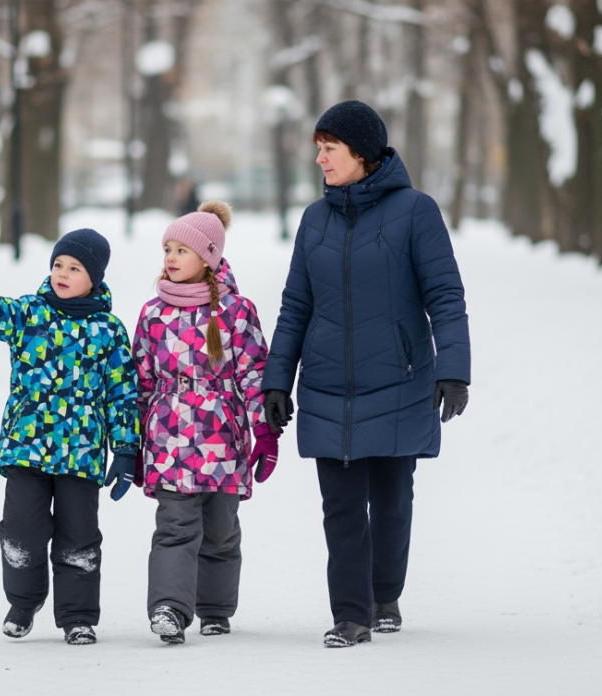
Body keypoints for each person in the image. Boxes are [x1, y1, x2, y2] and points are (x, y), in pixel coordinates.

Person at [260, 100, 471, 648]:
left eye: (330, 149)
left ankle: (384, 593)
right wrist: (277, 379)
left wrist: (453, 369)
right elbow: (294, 306)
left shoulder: (415, 211)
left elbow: (445, 295)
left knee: (393, 498)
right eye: (318, 149)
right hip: (328, 384)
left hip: (400, 380)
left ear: (362, 153)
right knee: (342, 507)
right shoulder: (314, 219)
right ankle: (350, 615)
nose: (321, 160)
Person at [0, 228, 141, 646]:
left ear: (95, 278)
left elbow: (122, 393)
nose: (62, 274)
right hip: (26, 450)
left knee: (79, 540)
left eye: (75, 268)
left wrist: (125, 449)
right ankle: (24, 601)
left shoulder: (109, 331)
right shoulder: (30, 314)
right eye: (58, 265)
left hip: (81, 457)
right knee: (20, 534)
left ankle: (78, 617)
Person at [131, 200, 278, 645]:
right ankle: (169, 609)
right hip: (168, 438)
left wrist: (265, 432)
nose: (170, 258)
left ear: (209, 257)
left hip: (222, 439)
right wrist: (131, 442)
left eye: (181, 250)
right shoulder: (153, 313)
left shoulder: (236, 312)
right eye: (167, 249)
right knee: (174, 526)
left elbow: (254, 373)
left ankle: (215, 608)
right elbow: (139, 380)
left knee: (220, 530)